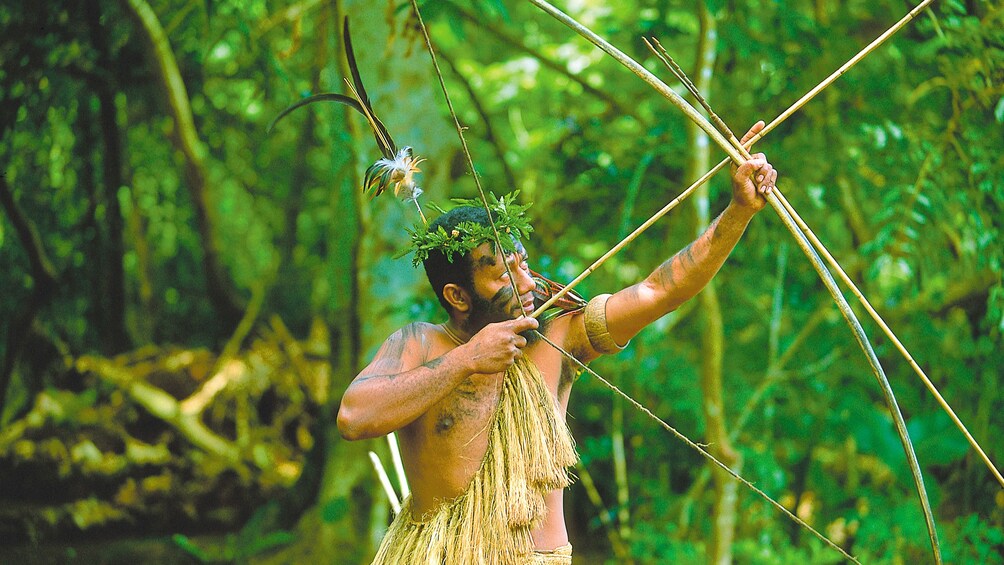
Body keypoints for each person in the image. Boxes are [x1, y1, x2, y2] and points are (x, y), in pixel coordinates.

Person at [337, 122, 777, 564]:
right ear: (457, 296)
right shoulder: (421, 343)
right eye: (505, 274)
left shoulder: (559, 333)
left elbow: (660, 290)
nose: (527, 282)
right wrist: (468, 359)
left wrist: (739, 210)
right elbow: (355, 416)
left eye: (524, 264)